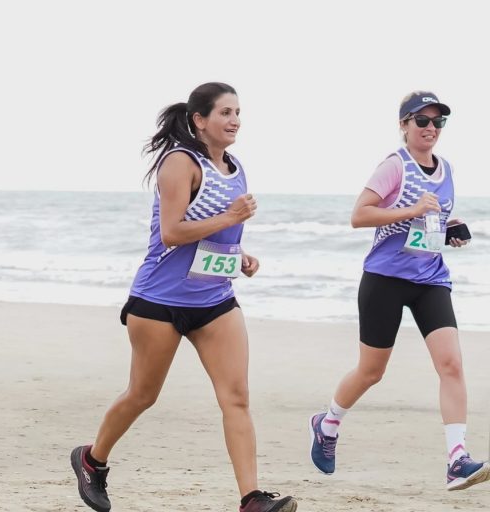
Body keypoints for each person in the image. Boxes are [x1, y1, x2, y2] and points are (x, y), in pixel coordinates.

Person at [70, 82, 297, 512]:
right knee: (143, 394)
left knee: (236, 397)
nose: (235, 121)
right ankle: (92, 459)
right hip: (160, 301)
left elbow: (217, 236)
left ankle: (251, 498)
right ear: (199, 120)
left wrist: (241, 257)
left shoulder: (235, 166)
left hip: (214, 301)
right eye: (225, 113)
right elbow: (173, 233)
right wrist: (228, 216)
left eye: (238, 112)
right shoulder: (179, 163)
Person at [309, 91, 488, 491]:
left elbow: (432, 220)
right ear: (404, 125)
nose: (429, 129)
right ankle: (328, 422)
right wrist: (410, 210)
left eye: (437, 122)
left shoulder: (447, 170)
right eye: (420, 121)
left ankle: (456, 459)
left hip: (430, 279)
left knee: (451, 365)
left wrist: (452, 227)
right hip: (385, 279)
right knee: (372, 371)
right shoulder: (395, 166)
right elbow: (360, 215)